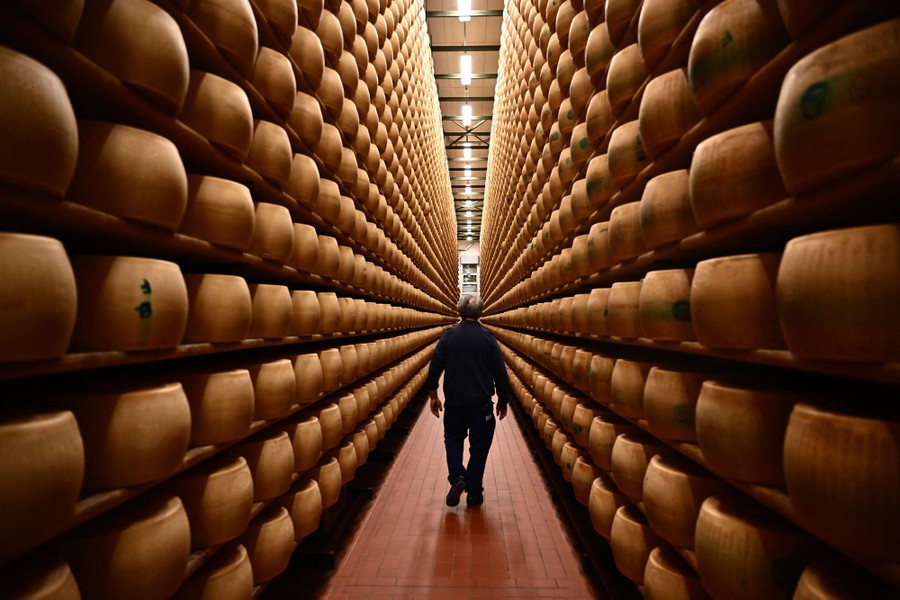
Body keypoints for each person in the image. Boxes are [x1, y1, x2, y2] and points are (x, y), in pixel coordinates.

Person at [425, 293, 513, 508]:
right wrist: (503, 400)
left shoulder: (448, 336)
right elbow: (500, 373)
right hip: (480, 405)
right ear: (480, 313)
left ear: (459, 312)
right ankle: (474, 493)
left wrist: (433, 394)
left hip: (455, 403)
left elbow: (435, 365)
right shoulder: (488, 339)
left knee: (453, 440)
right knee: (479, 448)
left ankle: (457, 477)